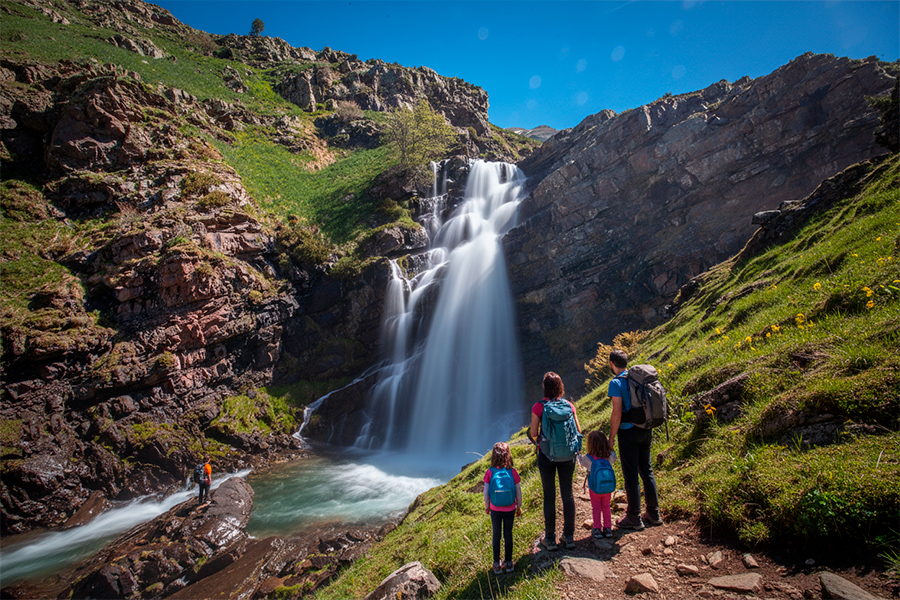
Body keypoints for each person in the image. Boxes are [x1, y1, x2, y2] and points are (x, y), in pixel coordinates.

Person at [607, 350, 661, 530]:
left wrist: (611, 437)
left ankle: (634, 517)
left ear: (612, 363)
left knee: (630, 474)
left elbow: (617, 412)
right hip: (646, 428)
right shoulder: (637, 378)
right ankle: (653, 513)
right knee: (646, 469)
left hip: (628, 432)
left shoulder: (616, 383)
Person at [530, 371, 582, 551]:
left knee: (549, 495)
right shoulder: (569, 406)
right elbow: (578, 430)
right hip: (568, 456)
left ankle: (550, 539)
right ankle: (569, 536)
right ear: (561, 387)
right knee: (567, 494)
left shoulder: (539, 406)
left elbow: (534, 433)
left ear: (544, 387)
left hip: (546, 456)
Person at [483, 442, 523, 574]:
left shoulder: (490, 472)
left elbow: (486, 492)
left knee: (496, 535)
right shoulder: (512, 472)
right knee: (508, 534)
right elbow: (518, 491)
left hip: (495, 508)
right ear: (508, 455)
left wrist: (487, 506)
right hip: (510, 508)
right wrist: (518, 506)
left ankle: (496, 563)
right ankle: (509, 563)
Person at [578, 430, 617, 539]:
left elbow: (580, 461)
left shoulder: (588, 458)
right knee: (606, 506)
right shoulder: (608, 456)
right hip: (607, 488)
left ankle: (597, 528)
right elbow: (614, 457)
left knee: (596, 507)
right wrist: (611, 447)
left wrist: (577, 452)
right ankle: (608, 528)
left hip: (594, 488)